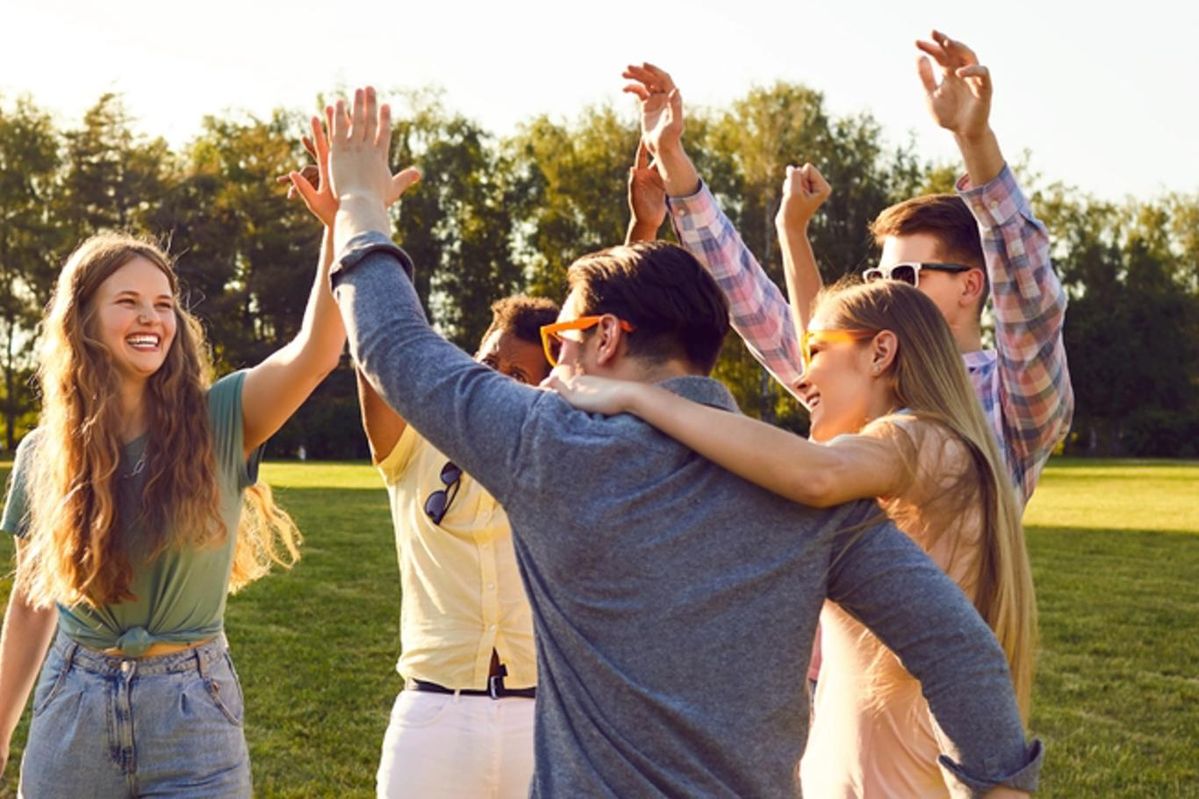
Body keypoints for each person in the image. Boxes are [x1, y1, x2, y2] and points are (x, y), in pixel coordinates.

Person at [324, 86, 1041, 796]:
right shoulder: (809, 494)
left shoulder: (547, 446)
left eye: (562, 337)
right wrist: (998, 786)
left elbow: (393, 344)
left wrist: (360, 205)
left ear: (606, 338)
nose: (554, 360)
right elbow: (960, 650)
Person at [548, 277, 1038, 796]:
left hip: (893, 776)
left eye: (817, 350)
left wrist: (636, 397)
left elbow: (815, 475)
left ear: (881, 353)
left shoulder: (920, 438)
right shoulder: (933, 448)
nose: (801, 380)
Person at [0, 111, 348, 797]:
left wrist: (340, 225)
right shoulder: (44, 451)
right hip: (72, 707)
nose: (151, 318)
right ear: (83, 320)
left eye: (163, 304)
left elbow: (316, 352)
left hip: (193, 710)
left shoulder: (223, 416)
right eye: (128, 301)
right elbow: (33, 602)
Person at [627, 35, 1074, 505]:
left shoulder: (1011, 399)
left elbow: (1029, 298)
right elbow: (754, 308)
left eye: (905, 276)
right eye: (876, 278)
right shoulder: (863, 371)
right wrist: (673, 160)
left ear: (970, 285)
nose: (884, 294)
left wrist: (975, 140)